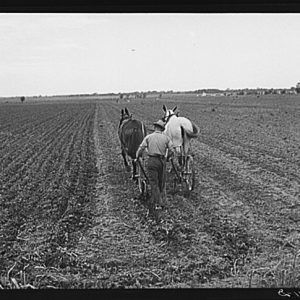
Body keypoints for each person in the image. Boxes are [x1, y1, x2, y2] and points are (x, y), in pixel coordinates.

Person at [136, 119, 175, 211]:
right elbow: (172, 150)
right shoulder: (166, 138)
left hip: (152, 161)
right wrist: (168, 157)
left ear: (155, 127)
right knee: (161, 182)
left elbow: (141, 148)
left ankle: (158, 203)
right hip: (162, 161)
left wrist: (137, 156)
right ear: (162, 129)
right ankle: (161, 199)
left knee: (154, 183)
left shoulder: (148, 137)